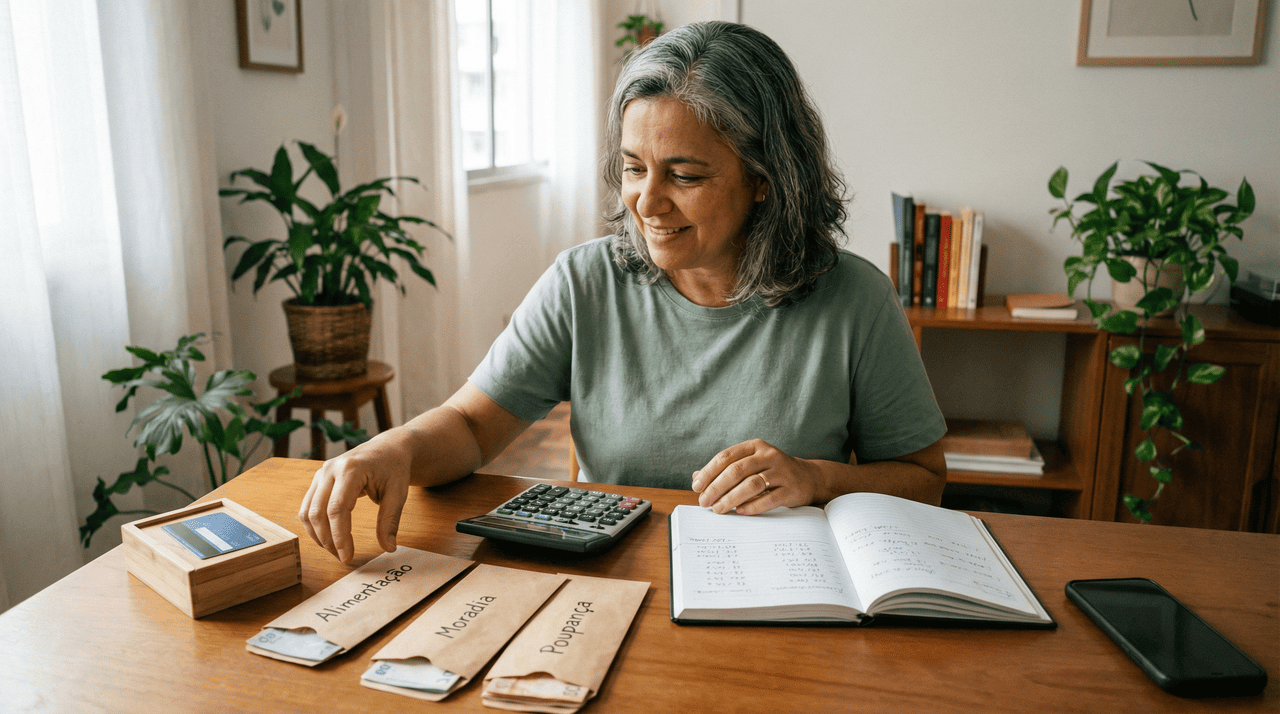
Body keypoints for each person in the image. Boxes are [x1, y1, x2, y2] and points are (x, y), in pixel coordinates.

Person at [300, 21, 947, 564]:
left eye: (684, 176)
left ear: (765, 179)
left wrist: (815, 478)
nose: (647, 201)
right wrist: (394, 447)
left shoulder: (855, 300)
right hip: (608, 580)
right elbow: (471, 426)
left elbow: (924, 481)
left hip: (785, 592)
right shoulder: (583, 283)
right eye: (634, 168)